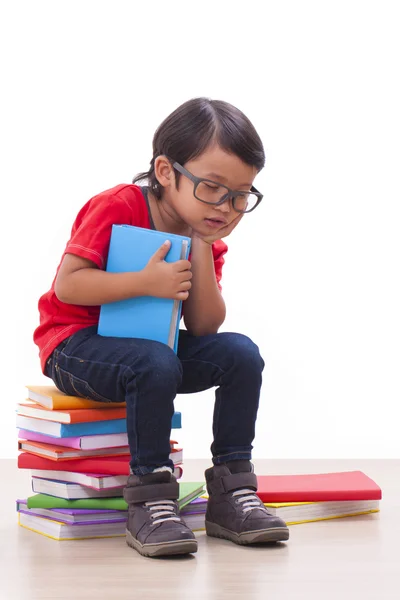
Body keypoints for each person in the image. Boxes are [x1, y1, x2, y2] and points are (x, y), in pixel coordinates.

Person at [34, 97, 289, 557]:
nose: (227, 207)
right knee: (154, 360)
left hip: (153, 355)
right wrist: (146, 282)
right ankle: (151, 498)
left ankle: (232, 491)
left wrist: (201, 249)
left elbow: (206, 326)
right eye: (213, 188)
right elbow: (68, 287)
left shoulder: (202, 235)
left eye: (241, 196)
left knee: (240, 354)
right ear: (167, 172)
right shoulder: (118, 205)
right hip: (75, 346)